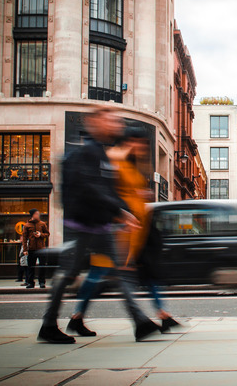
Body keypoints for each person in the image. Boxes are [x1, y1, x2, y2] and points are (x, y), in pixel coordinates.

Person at [38, 106, 159, 344]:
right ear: (95, 122)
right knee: (69, 274)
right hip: (82, 225)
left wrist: (123, 212)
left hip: (101, 225)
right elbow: (90, 188)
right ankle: (49, 324)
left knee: (120, 273)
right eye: (111, 121)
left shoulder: (102, 153)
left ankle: (140, 322)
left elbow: (109, 190)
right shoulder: (88, 152)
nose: (117, 125)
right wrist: (121, 213)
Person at [68, 127, 180, 335]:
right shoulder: (116, 160)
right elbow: (108, 193)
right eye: (139, 143)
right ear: (130, 141)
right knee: (104, 274)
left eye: (145, 144)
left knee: (106, 275)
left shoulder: (132, 164)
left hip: (134, 230)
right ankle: (142, 321)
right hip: (117, 230)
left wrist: (141, 195)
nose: (143, 148)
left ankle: (78, 318)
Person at [24, 209, 50, 289]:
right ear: (32, 215)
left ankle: (42, 282)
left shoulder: (42, 224)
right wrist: (25, 250)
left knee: (42, 266)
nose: (38, 215)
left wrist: (40, 235)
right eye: (36, 214)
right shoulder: (27, 225)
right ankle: (30, 283)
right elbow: (24, 238)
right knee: (30, 266)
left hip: (41, 248)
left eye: (38, 214)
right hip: (31, 248)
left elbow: (47, 234)